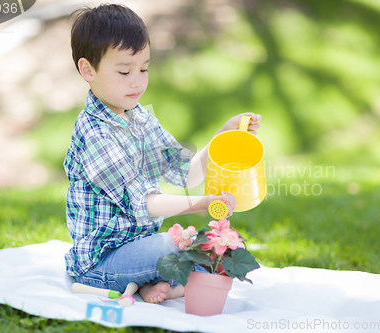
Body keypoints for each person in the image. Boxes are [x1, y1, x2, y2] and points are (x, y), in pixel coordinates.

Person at [64, 3, 262, 304]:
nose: (137, 80)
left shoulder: (140, 118)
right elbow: (145, 204)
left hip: (139, 246)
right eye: (124, 71)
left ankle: (148, 284)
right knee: (173, 246)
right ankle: (158, 279)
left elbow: (187, 172)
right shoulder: (95, 134)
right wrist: (202, 204)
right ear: (87, 69)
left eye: (143, 68)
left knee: (214, 243)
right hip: (102, 260)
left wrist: (224, 135)